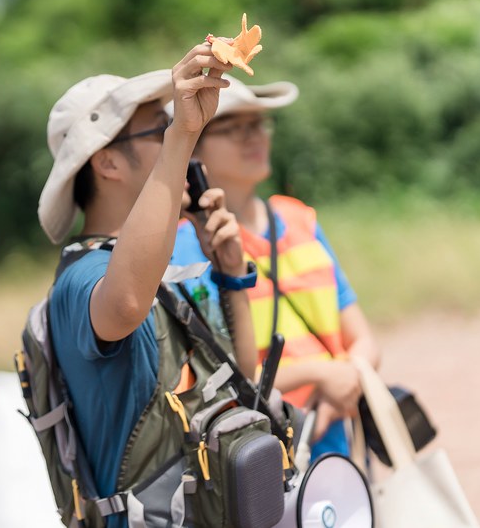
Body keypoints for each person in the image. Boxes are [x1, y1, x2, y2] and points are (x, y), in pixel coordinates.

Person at [37, 43, 264, 527]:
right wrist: (181, 137)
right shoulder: (82, 278)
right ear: (108, 164)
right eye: (158, 130)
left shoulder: (169, 267)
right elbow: (123, 305)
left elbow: (242, 380)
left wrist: (229, 275)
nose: (181, 139)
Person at [170, 74, 381, 461]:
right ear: (194, 150)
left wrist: (343, 386)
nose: (253, 137)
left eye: (258, 124)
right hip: (255, 459)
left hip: (332, 453)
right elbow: (211, 377)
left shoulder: (300, 219)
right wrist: (320, 377)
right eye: (234, 128)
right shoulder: (184, 250)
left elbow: (363, 340)